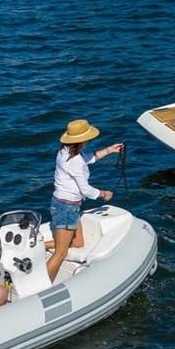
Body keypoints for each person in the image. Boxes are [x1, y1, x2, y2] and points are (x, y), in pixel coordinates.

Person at [47, 119, 124, 283]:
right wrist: (103, 194)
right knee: (61, 253)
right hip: (66, 208)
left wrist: (109, 150)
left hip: (67, 206)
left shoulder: (65, 151)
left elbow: (88, 158)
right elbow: (85, 190)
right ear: (82, 141)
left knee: (78, 243)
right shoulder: (75, 162)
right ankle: (41, 287)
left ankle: (39, 246)